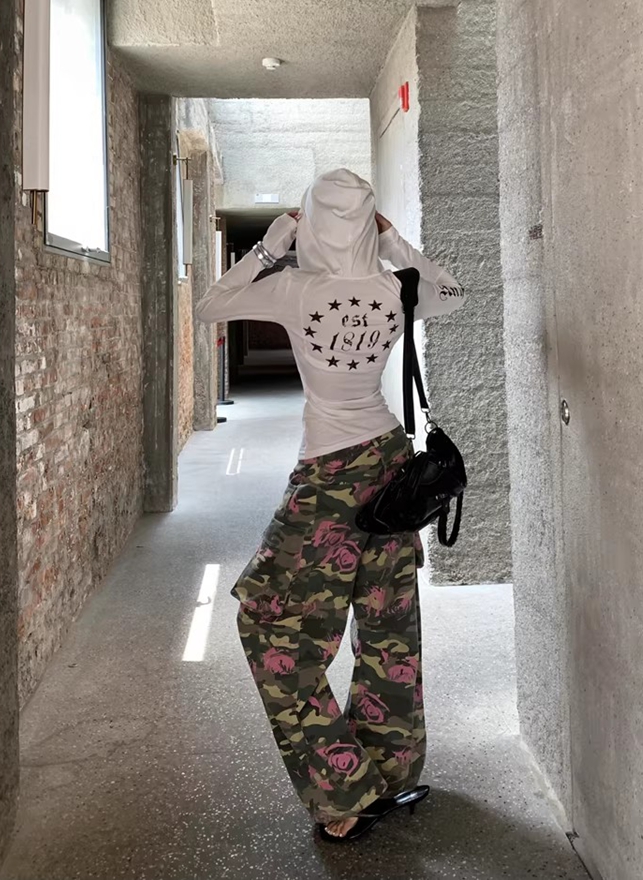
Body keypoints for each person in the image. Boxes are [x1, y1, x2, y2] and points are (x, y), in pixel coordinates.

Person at [195, 168, 466, 842]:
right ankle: (392, 772)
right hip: (391, 462)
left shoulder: (295, 288)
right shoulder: (395, 287)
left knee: (269, 622)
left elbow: (209, 304)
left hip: (328, 474)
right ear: (368, 221)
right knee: (387, 624)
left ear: (311, 222)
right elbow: (454, 293)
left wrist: (273, 241)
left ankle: (345, 792)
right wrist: (394, 243)